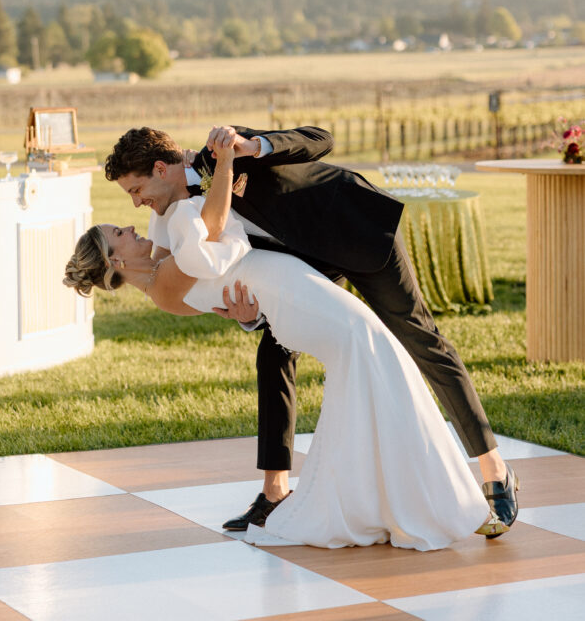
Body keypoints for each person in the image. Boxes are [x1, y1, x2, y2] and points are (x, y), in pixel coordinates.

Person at [64, 133, 502, 550]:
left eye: (136, 191)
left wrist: (248, 148)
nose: (136, 208)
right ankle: (341, 496)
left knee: (415, 346)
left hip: (353, 231)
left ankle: (488, 474)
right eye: (124, 221)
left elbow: (319, 140)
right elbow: (208, 250)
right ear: (116, 259)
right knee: (360, 357)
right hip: (297, 285)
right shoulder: (171, 230)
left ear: (161, 168)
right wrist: (250, 315)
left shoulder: (174, 215)